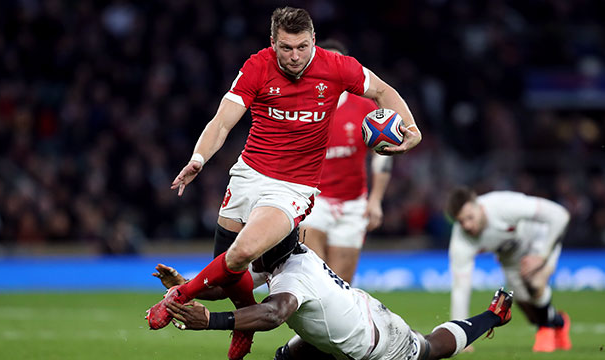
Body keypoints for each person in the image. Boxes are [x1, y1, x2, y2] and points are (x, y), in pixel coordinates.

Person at [146, 6, 422, 359]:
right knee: (228, 274)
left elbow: (383, 91)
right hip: (248, 173)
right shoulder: (256, 66)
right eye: (286, 48)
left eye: (302, 47)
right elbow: (223, 120)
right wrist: (198, 159)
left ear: (314, 41)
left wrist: (412, 131)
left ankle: (176, 299)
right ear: (273, 42)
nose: (295, 57)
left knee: (243, 252)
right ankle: (244, 333)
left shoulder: (338, 67)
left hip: (293, 187)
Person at [153, 232, 514, 360]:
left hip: (377, 344)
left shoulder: (294, 276)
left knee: (431, 349)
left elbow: (273, 314)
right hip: (337, 330)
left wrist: (210, 322)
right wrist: (187, 286)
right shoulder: (277, 257)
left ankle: (494, 315)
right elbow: (232, 286)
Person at [298, 39, 392, 283]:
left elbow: (381, 154)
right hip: (313, 201)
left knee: (340, 285)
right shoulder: (300, 107)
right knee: (315, 277)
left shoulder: (364, 107)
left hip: (353, 206)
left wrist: (376, 200)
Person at [445, 187, 572, 353]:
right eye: (461, 221)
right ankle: (559, 322)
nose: (467, 225)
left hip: (539, 241)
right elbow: (460, 287)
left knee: (535, 283)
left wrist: (542, 256)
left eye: (470, 217)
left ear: (479, 206)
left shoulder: (504, 207)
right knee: (532, 313)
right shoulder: (461, 240)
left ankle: (545, 331)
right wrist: (462, 337)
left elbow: (560, 215)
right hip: (511, 259)